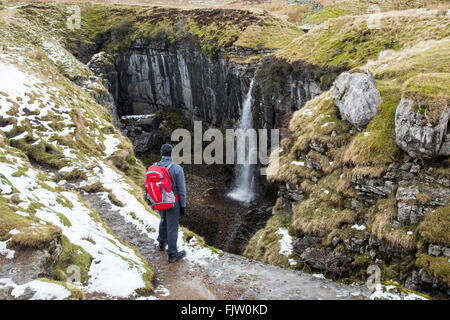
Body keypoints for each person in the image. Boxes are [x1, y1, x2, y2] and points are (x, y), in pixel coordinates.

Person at [155, 143, 187, 263]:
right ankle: (173, 254)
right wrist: (183, 205)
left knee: (163, 220)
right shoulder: (177, 169)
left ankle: (161, 243)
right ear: (172, 154)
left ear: (161, 153)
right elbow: (182, 190)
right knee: (172, 227)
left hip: (159, 200)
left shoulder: (155, 166)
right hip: (173, 202)